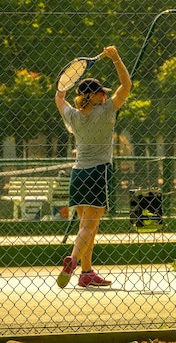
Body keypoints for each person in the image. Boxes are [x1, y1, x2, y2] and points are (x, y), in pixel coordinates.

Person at [55, 46, 131, 288]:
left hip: (78, 174)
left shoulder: (73, 116)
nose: (106, 96)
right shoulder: (107, 111)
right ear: (98, 96)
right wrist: (116, 58)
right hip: (99, 172)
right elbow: (126, 86)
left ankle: (86, 273)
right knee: (90, 226)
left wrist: (68, 79)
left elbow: (59, 97)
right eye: (103, 93)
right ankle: (74, 259)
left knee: (85, 226)